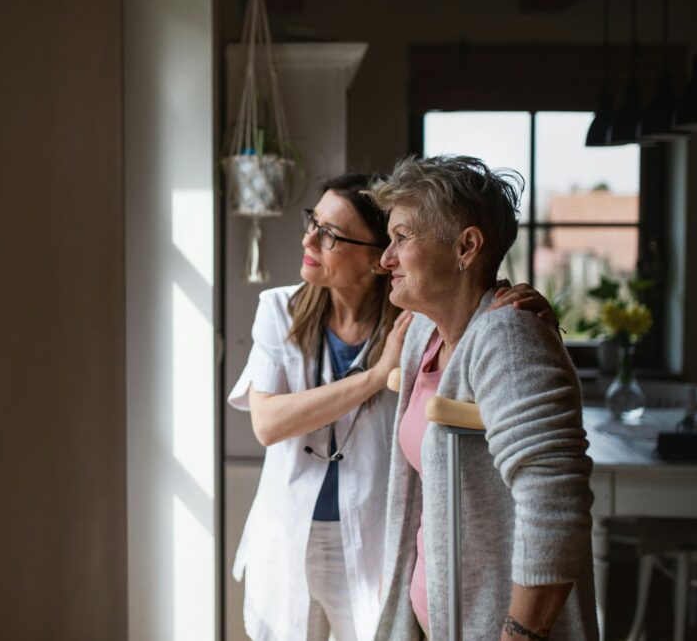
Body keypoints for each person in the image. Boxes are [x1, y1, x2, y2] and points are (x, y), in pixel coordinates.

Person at [227, 173, 558, 641]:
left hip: (370, 543)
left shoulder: (415, 323)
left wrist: (513, 305)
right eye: (313, 223)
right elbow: (266, 423)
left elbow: (473, 322)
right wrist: (374, 376)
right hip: (289, 536)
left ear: (373, 259)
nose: (309, 239)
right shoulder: (279, 309)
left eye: (330, 234)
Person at [368, 155, 597, 641]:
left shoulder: (509, 338)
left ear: (467, 247)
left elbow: (555, 504)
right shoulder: (422, 333)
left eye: (402, 238)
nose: (384, 258)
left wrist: (519, 636)